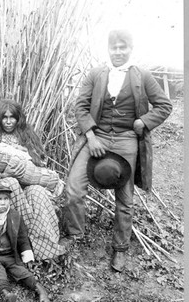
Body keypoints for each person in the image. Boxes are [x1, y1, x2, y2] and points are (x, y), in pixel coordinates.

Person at [62, 29, 172, 272]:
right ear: (108, 49)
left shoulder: (142, 75)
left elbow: (164, 105)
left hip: (126, 139)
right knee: (73, 189)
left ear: (131, 49)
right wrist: (90, 136)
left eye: (123, 47)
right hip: (96, 137)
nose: (119, 52)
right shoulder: (96, 73)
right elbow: (80, 106)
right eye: (115, 47)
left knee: (125, 199)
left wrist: (144, 122)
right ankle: (75, 236)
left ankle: (120, 249)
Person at [0, 99, 65, 261]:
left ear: (19, 118)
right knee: (12, 183)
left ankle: (45, 249)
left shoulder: (26, 136)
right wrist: (5, 173)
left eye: (13, 117)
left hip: (28, 184)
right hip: (5, 186)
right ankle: (30, 243)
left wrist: (26, 155)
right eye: (5, 117)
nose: (9, 121)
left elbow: (42, 162)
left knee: (37, 192)